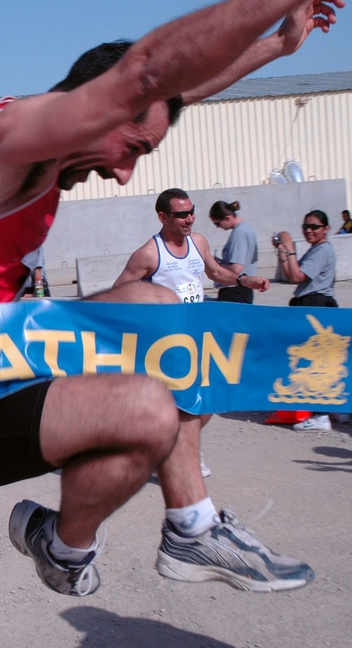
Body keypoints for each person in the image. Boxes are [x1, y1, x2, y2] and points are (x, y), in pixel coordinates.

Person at [0, 0, 339, 597]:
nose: (124, 173)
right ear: (99, 108)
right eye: (132, 151)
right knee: (149, 409)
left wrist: (276, 46)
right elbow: (150, 71)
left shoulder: (43, 130)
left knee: (165, 313)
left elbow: (171, 88)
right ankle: (63, 549)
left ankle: (191, 528)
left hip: (5, 351)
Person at [114, 189, 269, 477]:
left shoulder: (198, 242)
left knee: (208, 400)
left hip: (198, 336)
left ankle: (172, 448)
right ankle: (179, 455)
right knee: (180, 403)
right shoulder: (149, 254)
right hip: (166, 343)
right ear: (162, 216)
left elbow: (214, 272)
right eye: (181, 214)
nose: (189, 219)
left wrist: (244, 280)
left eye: (192, 211)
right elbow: (118, 292)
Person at [273, 209, 338, 432]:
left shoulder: (323, 250)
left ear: (326, 229)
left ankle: (321, 413)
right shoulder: (315, 250)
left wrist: (290, 249)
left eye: (314, 227)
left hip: (317, 304)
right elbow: (292, 275)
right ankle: (330, 406)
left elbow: (298, 276)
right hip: (309, 302)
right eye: (305, 227)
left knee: (315, 360)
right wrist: (283, 252)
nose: (309, 231)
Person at [209, 200, 260, 303]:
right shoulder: (247, 228)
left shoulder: (239, 233)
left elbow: (236, 268)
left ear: (227, 218)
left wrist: (216, 263)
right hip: (243, 288)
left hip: (234, 290)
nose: (218, 227)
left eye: (218, 224)